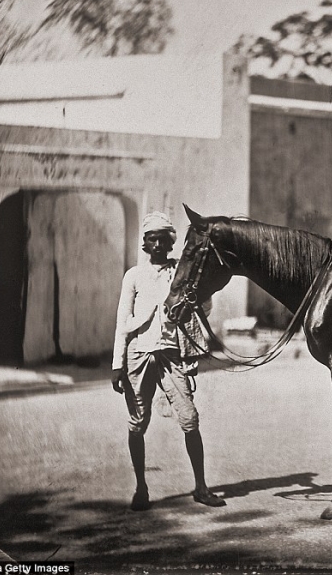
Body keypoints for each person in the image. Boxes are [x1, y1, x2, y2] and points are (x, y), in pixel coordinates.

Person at [111, 211, 226, 511]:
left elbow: (205, 304)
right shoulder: (133, 276)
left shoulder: (180, 271)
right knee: (137, 423)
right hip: (139, 354)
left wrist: (194, 306)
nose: (159, 244)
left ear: (171, 242)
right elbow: (123, 321)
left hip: (173, 354)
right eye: (153, 239)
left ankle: (201, 487)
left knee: (190, 419)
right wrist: (117, 365)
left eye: (164, 238)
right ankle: (141, 488)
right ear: (145, 244)